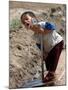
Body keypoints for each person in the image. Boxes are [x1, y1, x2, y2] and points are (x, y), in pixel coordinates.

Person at [20, 11, 64, 83]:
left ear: (34, 19)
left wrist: (43, 31)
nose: (26, 22)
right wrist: (44, 53)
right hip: (48, 48)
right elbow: (39, 45)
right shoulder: (35, 36)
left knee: (53, 58)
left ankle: (51, 74)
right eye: (23, 22)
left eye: (27, 19)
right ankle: (51, 73)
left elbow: (52, 26)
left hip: (57, 43)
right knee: (47, 61)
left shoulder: (42, 24)